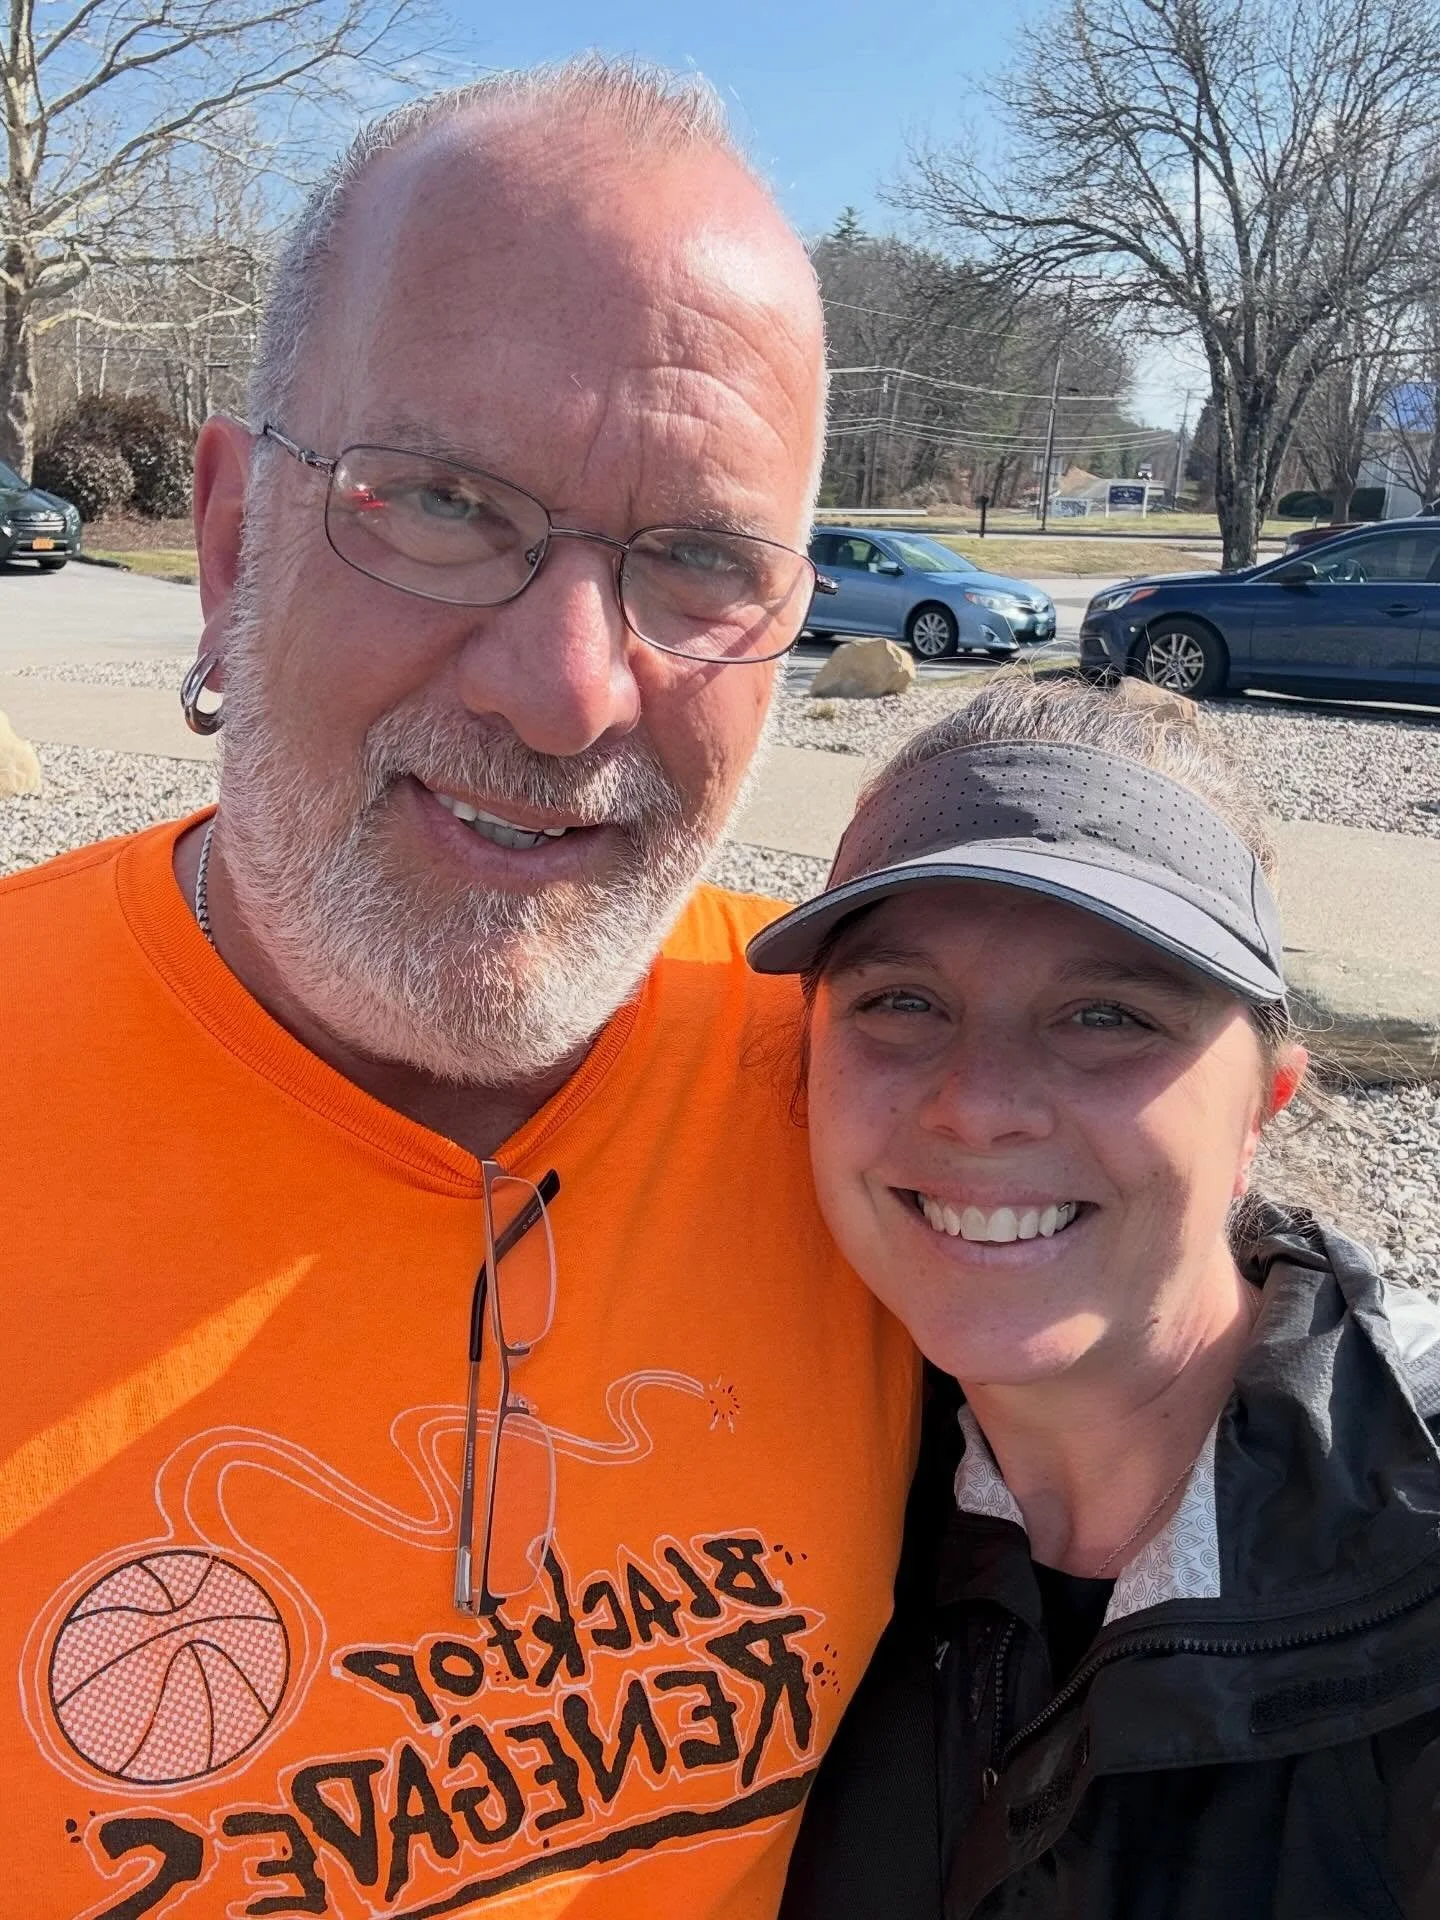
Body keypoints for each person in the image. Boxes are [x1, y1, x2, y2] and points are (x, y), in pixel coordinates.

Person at [0, 60, 918, 1919]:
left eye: (701, 563)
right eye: (439, 501)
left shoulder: (886, 1110)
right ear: (234, 541)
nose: (566, 692)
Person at [757, 673, 1440, 1920]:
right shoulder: (776, 1493)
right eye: (902, 1001)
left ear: (1264, 1105)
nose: (978, 1105)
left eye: (1106, 1016)